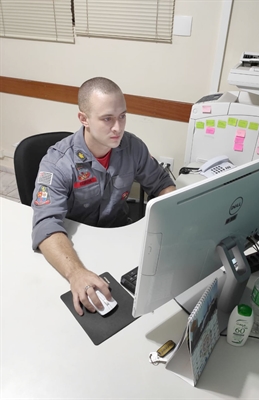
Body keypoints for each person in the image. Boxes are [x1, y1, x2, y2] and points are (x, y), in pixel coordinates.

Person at [31, 77, 176, 316]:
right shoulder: (57, 163)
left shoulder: (132, 147)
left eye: (122, 116)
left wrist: (176, 222)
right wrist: (75, 272)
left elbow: (161, 183)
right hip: (75, 250)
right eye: (107, 118)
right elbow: (46, 225)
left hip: (119, 238)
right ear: (84, 119)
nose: (118, 128)